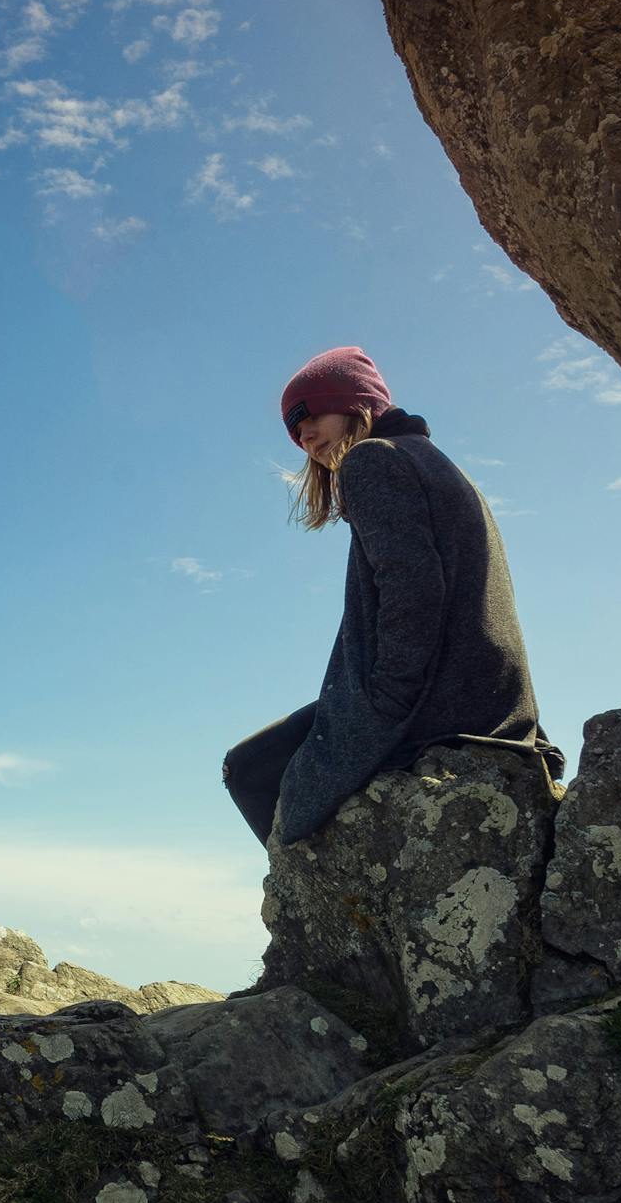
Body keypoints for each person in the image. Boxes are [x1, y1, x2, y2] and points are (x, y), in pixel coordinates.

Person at [223, 345, 558, 848]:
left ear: (356, 404)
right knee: (272, 762)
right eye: (295, 428)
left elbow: (411, 588)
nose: (305, 434)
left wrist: (387, 698)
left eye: (312, 414)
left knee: (250, 770)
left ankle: (315, 906)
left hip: (439, 704)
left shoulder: (372, 460)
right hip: (487, 694)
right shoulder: (434, 461)